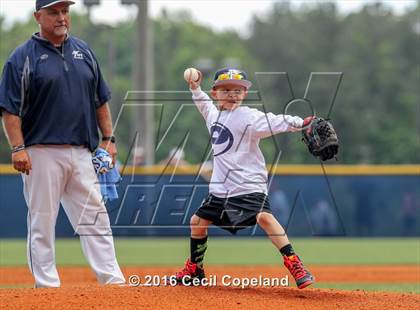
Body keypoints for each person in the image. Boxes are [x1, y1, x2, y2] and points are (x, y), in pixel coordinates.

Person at [0, 0, 125, 287]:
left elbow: (101, 100)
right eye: (54, 12)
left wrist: (109, 139)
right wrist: (18, 148)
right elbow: (10, 109)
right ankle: (46, 286)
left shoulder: (84, 52)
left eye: (65, 11)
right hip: (41, 151)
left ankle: (112, 280)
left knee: (95, 218)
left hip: (82, 152)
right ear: (38, 17)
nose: (62, 17)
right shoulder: (22, 57)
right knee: (42, 221)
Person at [174, 68, 315, 289]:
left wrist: (300, 122)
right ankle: (195, 269)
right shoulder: (213, 115)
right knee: (197, 222)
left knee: (264, 218)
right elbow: (202, 104)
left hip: (249, 185)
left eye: (238, 90)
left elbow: (274, 121)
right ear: (215, 93)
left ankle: (294, 263)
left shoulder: (248, 116)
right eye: (226, 89)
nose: (232, 94)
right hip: (221, 190)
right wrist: (195, 88)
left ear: (245, 94)